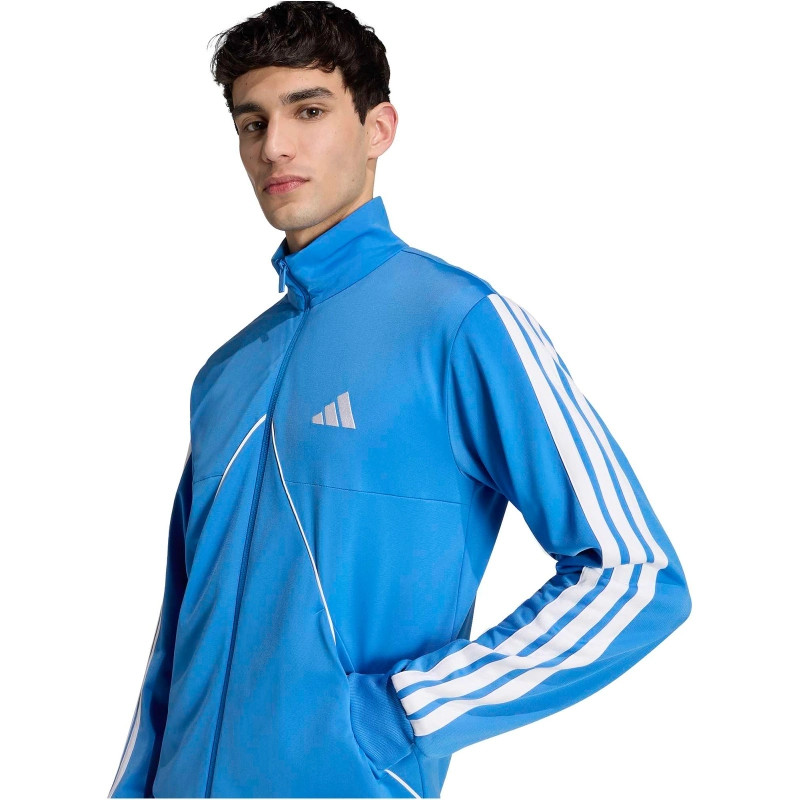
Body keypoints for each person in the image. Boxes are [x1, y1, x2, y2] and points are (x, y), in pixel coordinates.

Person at [108, 2, 692, 797]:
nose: (274, 146)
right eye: (252, 122)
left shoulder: (459, 323)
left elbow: (636, 575)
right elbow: (179, 630)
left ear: (378, 128)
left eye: (308, 111)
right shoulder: (225, 372)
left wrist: (406, 714)